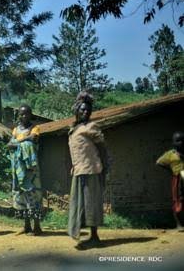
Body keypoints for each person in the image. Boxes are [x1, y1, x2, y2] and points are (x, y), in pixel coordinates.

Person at [67, 91, 111, 249]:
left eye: (88, 110)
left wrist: (105, 167)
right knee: (80, 203)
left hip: (91, 170)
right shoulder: (74, 128)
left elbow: (102, 148)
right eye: (82, 109)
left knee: (91, 203)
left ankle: (94, 237)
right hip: (79, 171)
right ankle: (84, 234)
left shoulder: (91, 127)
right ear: (76, 110)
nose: (85, 112)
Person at [7, 105, 43, 235]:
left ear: (30, 115)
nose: (24, 116)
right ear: (19, 116)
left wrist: (18, 142)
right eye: (22, 114)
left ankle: (37, 227)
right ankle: (26, 226)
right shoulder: (15, 130)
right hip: (18, 169)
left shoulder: (35, 128)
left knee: (33, 194)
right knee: (21, 195)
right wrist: (20, 142)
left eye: (27, 114)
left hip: (31, 169)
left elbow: (34, 138)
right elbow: (9, 145)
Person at [156, 131, 184, 232]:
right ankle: (179, 224)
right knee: (177, 200)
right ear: (173, 142)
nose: (181, 142)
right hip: (177, 179)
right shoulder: (170, 154)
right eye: (178, 140)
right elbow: (159, 162)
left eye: (182, 140)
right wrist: (170, 170)